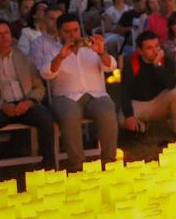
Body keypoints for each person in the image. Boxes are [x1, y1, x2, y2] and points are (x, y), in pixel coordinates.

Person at [0, 19, 56, 182]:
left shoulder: (25, 59)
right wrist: (1, 105)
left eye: (6, 33)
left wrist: (29, 101)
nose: (4, 37)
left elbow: (39, 87)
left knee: (45, 118)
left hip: (25, 103)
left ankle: (49, 167)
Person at [36, 12, 119, 170]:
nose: (72, 35)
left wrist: (101, 52)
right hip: (65, 97)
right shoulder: (53, 51)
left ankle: (109, 162)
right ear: (59, 32)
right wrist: (61, 57)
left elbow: (111, 66)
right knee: (69, 114)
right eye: (67, 31)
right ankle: (77, 165)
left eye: (75, 30)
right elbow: (46, 73)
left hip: (95, 94)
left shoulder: (91, 48)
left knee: (107, 109)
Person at [120, 31, 176, 137]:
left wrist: (158, 65)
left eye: (157, 46)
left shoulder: (166, 60)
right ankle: (140, 129)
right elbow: (125, 91)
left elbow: (171, 84)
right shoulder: (132, 63)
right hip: (139, 103)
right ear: (140, 51)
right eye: (149, 48)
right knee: (122, 118)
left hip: (159, 102)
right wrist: (129, 116)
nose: (155, 51)